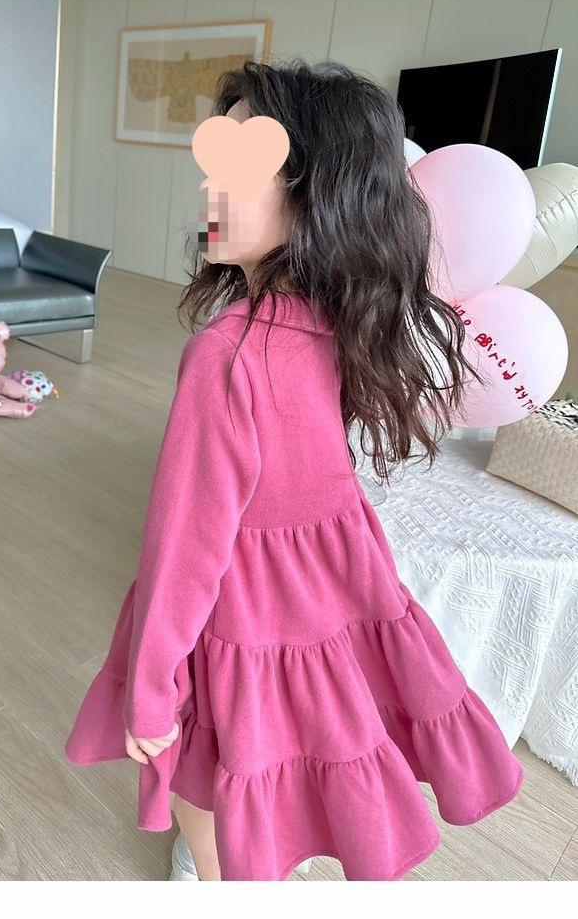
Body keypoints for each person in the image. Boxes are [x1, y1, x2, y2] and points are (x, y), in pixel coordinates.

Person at [64, 58, 524, 881]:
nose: (210, 185)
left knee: (206, 761)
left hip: (244, 602)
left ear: (315, 195)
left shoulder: (226, 355)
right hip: (329, 584)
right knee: (295, 731)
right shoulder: (335, 319)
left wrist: (151, 687)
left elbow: (183, 546)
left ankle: (217, 871)